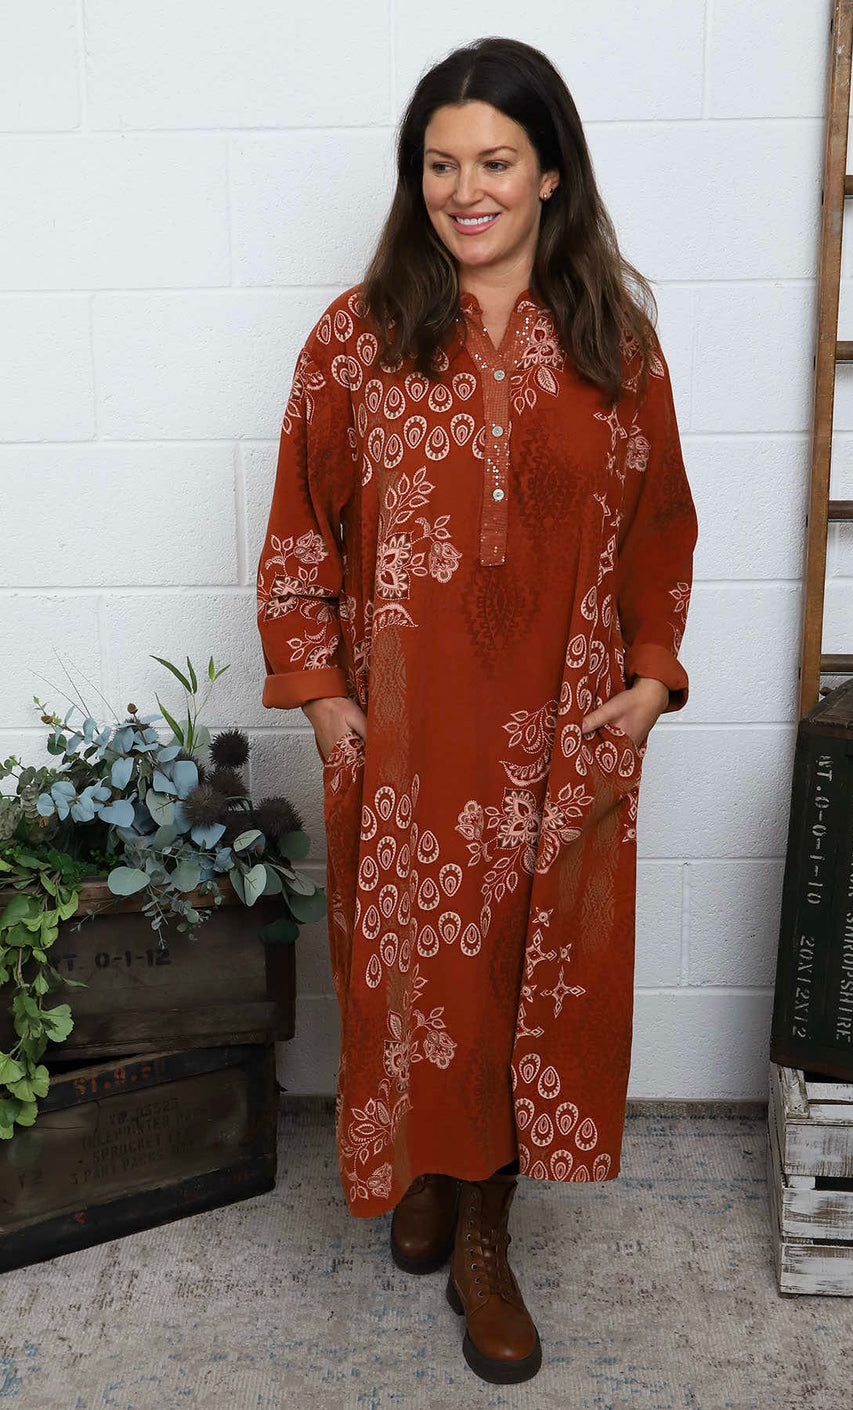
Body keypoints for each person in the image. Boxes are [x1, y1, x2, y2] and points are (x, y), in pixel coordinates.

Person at [256, 35, 698, 1386]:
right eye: (440, 165)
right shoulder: (360, 336)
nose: (466, 190)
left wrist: (650, 677)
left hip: (561, 737)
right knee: (417, 974)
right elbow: (300, 524)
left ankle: (486, 1233)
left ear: (551, 172)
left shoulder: (615, 339)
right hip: (407, 738)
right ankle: (428, 1170)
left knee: (521, 975)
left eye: (495, 161)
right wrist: (324, 698)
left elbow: (661, 525)